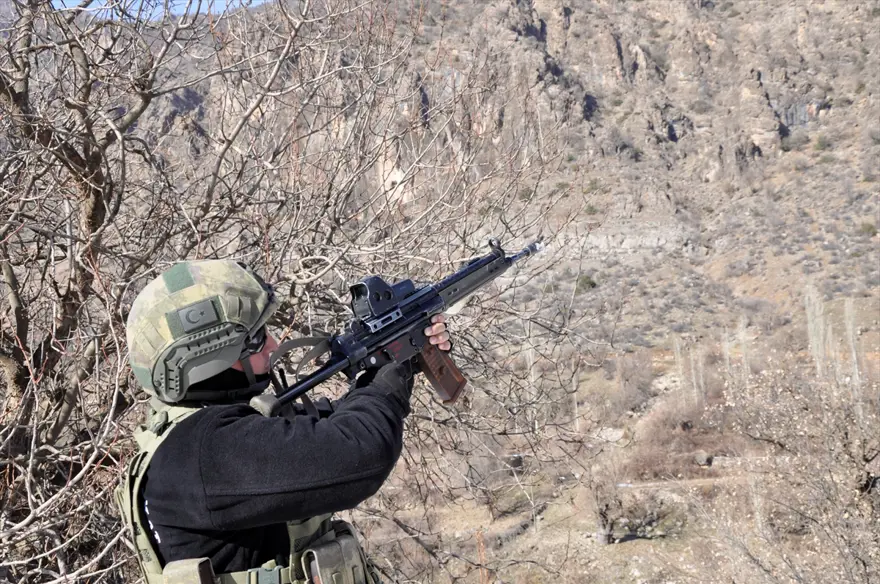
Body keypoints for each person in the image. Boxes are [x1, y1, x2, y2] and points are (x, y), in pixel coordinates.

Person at [116, 259, 452, 584]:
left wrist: (399, 355)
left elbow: (320, 432)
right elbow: (359, 452)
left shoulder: (189, 440)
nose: (274, 345)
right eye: (258, 338)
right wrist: (392, 368)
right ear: (212, 358)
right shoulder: (203, 451)